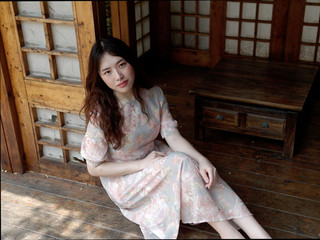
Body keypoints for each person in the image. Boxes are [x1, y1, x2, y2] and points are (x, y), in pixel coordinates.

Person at [80, 37, 272, 239]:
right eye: (107, 72)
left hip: (156, 158)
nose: (118, 75)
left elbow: (172, 136)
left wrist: (202, 160)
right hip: (127, 179)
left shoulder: (153, 95)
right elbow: (94, 168)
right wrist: (142, 165)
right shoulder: (100, 113)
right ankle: (229, 234)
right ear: (100, 77)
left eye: (122, 64)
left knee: (195, 167)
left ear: (131, 62)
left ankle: (257, 232)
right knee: (180, 162)